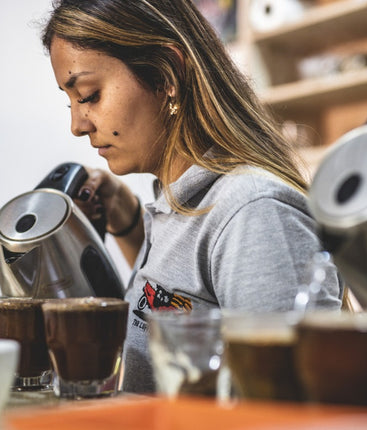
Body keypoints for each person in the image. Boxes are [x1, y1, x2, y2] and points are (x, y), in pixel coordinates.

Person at [42, 0, 344, 393]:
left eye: (89, 95)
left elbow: (286, 408)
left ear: (168, 75)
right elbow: (172, 303)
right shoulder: (179, 201)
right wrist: (130, 222)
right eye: (71, 103)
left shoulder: (255, 214)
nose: (76, 125)